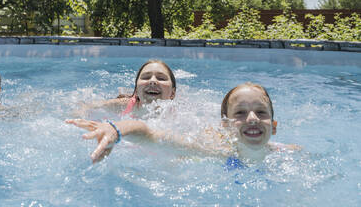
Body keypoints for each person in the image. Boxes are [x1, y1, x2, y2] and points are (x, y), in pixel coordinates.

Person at [67, 82, 298, 164]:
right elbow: (150, 134)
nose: (252, 118)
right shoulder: (213, 151)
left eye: (260, 112)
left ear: (274, 126)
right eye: (240, 113)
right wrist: (116, 128)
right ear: (225, 126)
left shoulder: (287, 154)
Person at [76, 59, 176, 116]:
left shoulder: (178, 116)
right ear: (136, 89)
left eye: (161, 78)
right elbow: (87, 106)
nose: (152, 81)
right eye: (146, 77)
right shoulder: (124, 104)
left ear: (172, 93)